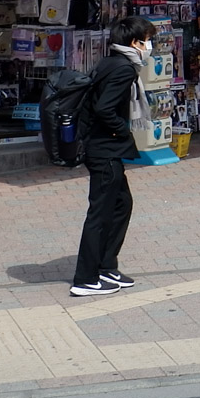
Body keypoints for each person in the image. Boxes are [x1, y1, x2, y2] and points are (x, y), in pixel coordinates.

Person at [71, 16, 151, 296]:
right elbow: (104, 108)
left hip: (102, 147)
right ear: (134, 42)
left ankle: (106, 265)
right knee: (100, 213)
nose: (149, 46)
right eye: (146, 40)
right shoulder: (123, 69)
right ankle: (85, 279)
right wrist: (123, 130)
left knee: (121, 204)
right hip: (104, 149)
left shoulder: (109, 62)